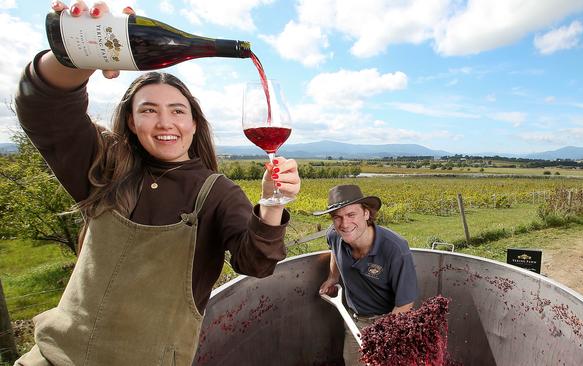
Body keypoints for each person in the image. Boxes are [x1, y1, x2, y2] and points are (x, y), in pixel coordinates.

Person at [13, 2, 300, 365]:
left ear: (195, 123)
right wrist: (79, 52)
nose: (165, 123)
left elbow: (256, 263)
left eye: (178, 111)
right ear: (131, 122)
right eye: (148, 110)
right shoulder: (106, 166)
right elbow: (42, 105)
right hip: (55, 359)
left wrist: (272, 203)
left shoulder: (217, 193)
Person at [315, 184, 417, 366]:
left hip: (389, 321)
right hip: (354, 320)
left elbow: (405, 303)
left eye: (351, 215)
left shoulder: (395, 250)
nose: (344, 224)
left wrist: (382, 336)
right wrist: (332, 277)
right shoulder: (335, 235)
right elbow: (333, 250)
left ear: (366, 214)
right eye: (337, 217)